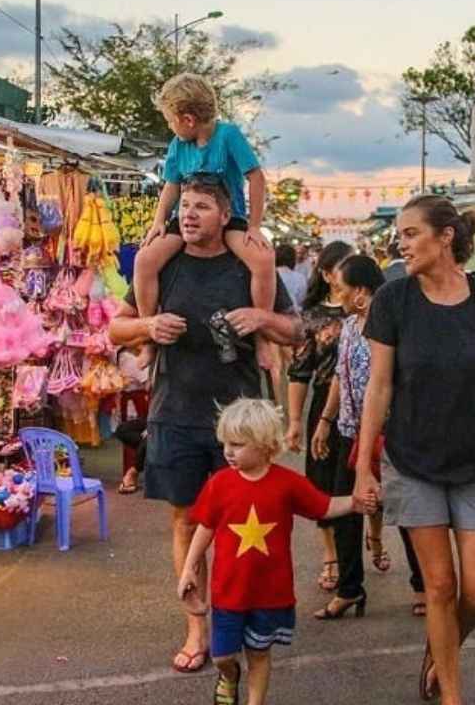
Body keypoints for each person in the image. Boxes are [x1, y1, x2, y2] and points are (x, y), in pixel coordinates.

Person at [108, 176, 298, 676]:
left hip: (241, 422)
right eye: (185, 206)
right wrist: (148, 328)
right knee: (187, 520)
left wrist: (261, 319)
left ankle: (243, 618)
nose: (189, 215)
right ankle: (197, 626)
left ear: (225, 214)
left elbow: (295, 331)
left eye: (202, 207)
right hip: (176, 413)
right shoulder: (164, 265)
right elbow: (115, 328)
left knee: (243, 525)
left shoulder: (247, 264)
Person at [354, 195, 475, 705]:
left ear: (445, 236)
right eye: (400, 235)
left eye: (410, 233)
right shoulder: (393, 300)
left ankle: (441, 651)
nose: (400, 243)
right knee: (439, 586)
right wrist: (364, 465)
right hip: (412, 460)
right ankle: (451, 694)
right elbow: (379, 387)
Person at [180, 398, 361, 705]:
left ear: (265, 445)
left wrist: (355, 502)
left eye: (237, 444)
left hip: (269, 593)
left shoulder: (287, 483)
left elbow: (325, 506)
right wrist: (189, 568)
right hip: (228, 593)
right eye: (225, 443)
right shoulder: (220, 484)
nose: (228, 451)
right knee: (223, 655)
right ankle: (229, 674)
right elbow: (205, 528)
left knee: (259, 655)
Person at [133, 72, 276, 372]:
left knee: (263, 260)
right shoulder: (177, 145)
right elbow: (171, 185)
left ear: (187, 119)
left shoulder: (228, 136)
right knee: (145, 259)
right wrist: (159, 221)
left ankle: (263, 334)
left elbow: (256, 177)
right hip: (188, 219)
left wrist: (253, 224)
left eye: (170, 121)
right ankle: (148, 337)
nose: (170, 127)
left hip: (230, 217)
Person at [313, 255, 427, 619]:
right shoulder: (347, 326)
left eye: (342, 289)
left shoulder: (393, 325)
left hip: (390, 435)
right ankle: (349, 589)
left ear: (361, 292)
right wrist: (326, 419)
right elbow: (338, 376)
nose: (338, 295)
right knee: (346, 510)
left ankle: (423, 585)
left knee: (406, 510)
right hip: (350, 432)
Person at [285, 240, 356, 593]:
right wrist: (296, 421)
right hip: (324, 414)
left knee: (363, 479)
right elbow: (299, 373)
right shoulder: (311, 317)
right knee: (323, 485)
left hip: (364, 409)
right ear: (327, 274)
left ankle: (367, 544)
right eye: (344, 266)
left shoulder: (370, 310)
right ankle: (331, 556)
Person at [276, 245, 307, 313]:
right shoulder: (300, 278)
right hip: (292, 315)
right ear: (293, 259)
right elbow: (301, 300)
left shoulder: (268, 275)